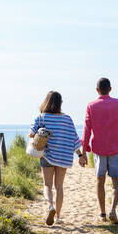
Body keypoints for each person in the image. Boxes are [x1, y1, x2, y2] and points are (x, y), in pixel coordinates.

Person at [81, 78, 118, 224]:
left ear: (97, 90)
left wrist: (84, 151)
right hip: (116, 147)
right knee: (116, 182)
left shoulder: (91, 106)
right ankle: (113, 210)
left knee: (100, 180)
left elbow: (87, 130)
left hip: (99, 148)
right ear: (110, 89)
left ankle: (102, 214)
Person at [29, 91, 86, 226]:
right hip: (63, 157)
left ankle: (50, 207)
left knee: (47, 185)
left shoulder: (41, 117)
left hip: (47, 156)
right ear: (60, 103)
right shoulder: (67, 119)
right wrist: (80, 155)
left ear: (46, 102)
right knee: (59, 186)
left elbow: (31, 134)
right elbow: (74, 139)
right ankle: (58, 216)